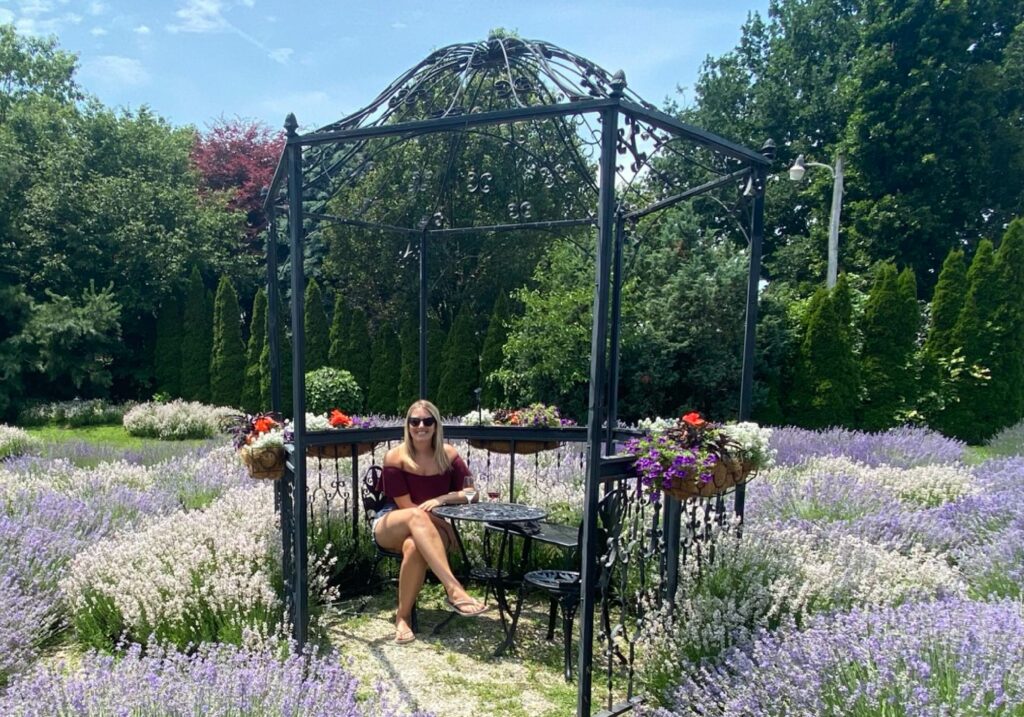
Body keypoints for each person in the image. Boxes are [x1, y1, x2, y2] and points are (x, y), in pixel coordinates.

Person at [373, 399, 488, 644]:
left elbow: (472, 493)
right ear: (408, 425)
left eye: (427, 421)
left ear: (436, 425)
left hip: (427, 535)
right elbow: (406, 507)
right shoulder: (395, 457)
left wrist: (442, 498)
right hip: (392, 522)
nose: (421, 426)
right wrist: (445, 525)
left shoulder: (448, 455)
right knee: (416, 516)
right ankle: (454, 590)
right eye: (415, 421)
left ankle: (402, 618)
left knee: (415, 547)